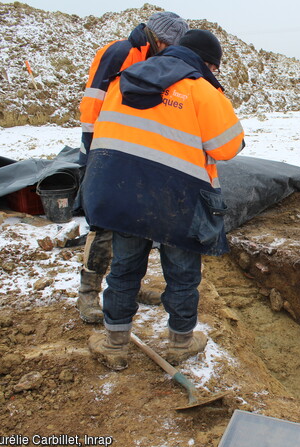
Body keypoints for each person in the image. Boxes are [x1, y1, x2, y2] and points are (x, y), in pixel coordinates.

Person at [82, 29, 245, 370]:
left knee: (124, 270)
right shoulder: (201, 88)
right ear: (208, 64)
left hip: (122, 191)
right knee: (183, 274)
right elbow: (227, 147)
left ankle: (115, 344)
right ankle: (181, 342)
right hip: (177, 198)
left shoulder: (122, 79)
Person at [76, 12, 189, 324]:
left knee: (132, 220)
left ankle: (125, 286)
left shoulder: (149, 57)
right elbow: (94, 102)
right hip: (107, 150)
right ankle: (87, 292)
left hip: (132, 153)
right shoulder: (124, 52)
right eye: (170, 46)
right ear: (160, 39)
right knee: (102, 224)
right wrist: (94, 150)